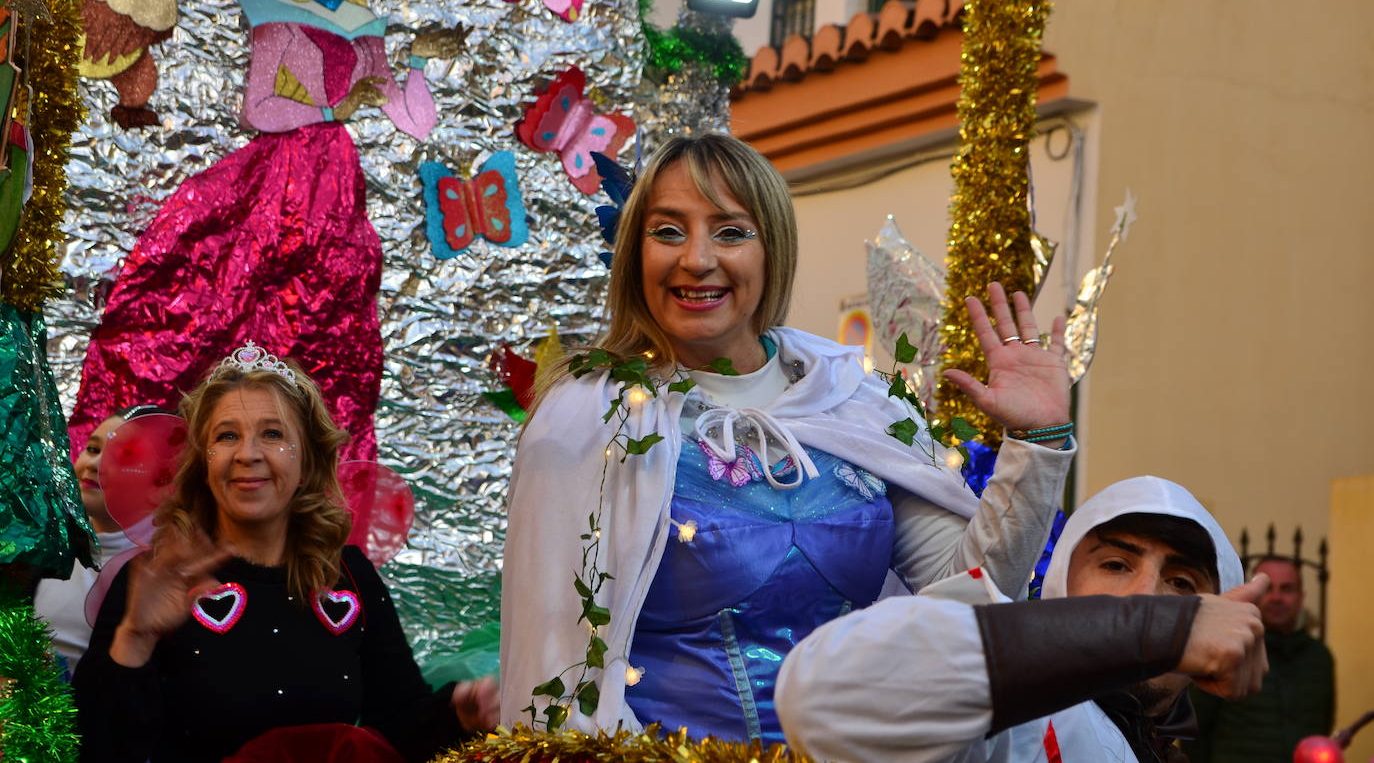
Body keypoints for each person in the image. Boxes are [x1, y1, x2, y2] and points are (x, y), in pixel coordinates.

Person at [501, 133, 1078, 740]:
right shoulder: (586, 418)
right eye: (667, 231)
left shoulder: (852, 396)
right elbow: (558, 667)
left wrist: (1037, 442)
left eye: (730, 232)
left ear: (772, 250)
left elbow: (968, 597)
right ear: (632, 256)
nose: (696, 259)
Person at [67, 0, 466, 502]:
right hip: (279, 184)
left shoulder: (361, 24)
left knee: (333, 340)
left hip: (336, 190)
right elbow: (261, 107)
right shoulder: (281, 14)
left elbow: (409, 116)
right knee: (220, 302)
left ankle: (318, 502)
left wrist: (417, 64)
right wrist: (339, 106)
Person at [74, 343, 497, 762]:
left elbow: (400, 725)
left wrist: (457, 714)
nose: (248, 454)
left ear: (308, 461)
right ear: (204, 461)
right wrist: (135, 638)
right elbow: (100, 746)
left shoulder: (349, 576)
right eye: (226, 436)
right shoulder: (155, 577)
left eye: (272, 434)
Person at [775, 476, 1270, 763]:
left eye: (1182, 585)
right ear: (1060, 585)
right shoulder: (1014, 717)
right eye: (1116, 565)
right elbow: (828, 697)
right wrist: (1152, 630)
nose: (1146, 596)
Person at [33, 404, 163, 675]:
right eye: (93, 449)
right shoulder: (51, 545)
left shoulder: (162, 570)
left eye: (123, 456)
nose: (94, 464)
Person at [1186, 555, 1335, 762]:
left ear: (1301, 596)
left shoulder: (1320, 657)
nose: (1276, 597)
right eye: (1268, 588)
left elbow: (1322, 728)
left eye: (1287, 588)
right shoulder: (1228, 649)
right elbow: (1195, 731)